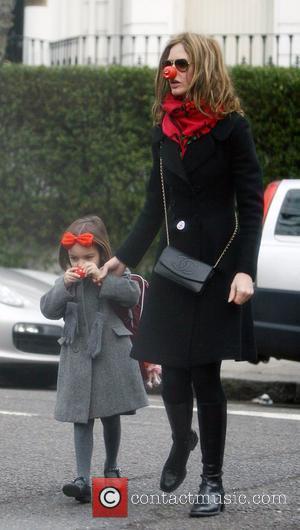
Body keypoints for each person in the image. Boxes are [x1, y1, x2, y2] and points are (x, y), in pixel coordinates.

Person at [99, 33, 264, 517]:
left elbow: (250, 205)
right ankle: (181, 440)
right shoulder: (163, 130)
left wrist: (245, 271)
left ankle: (212, 481)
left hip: (219, 268)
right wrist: (123, 257)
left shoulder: (232, 129)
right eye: (168, 64)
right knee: (171, 373)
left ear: (204, 68)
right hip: (173, 269)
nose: (172, 72)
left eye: (183, 64)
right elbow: (156, 206)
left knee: (205, 376)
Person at [40, 215, 149, 503]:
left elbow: (132, 295)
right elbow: (48, 310)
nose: (80, 263)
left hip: (110, 353)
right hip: (77, 354)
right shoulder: (67, 280)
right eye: (74, 258)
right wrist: (63, 285)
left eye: (88, 256)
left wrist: (103, 278)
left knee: (111, 414)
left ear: (103, 253)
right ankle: (81, 478)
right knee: (81, 418)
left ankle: (111, 467)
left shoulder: (115, 274)